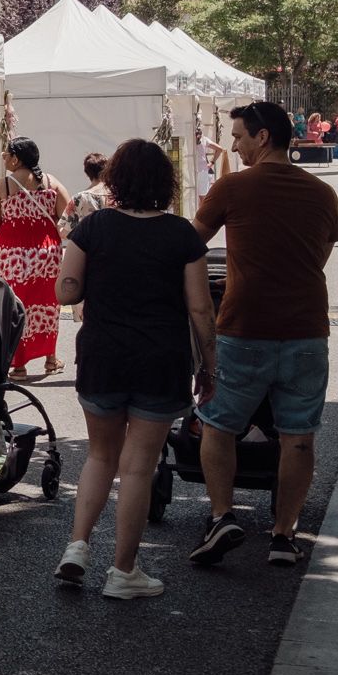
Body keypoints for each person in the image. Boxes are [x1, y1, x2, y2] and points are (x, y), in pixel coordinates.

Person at [53, 140, 215, 600]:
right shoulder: (183, 234)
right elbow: (201, 309)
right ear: (165, 183)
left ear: (116, 180)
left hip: (102, 355)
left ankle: (77, 546)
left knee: (101, 456)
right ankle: (124, 572)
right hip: (160, 360)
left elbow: (67, 292)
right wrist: (210, 366)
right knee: (139, 467)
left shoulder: (93, 227)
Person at [189, 101, 338, 569]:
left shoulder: (232, 187)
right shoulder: (322, 193)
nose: (234, 144)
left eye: (238, 136)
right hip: (307, 327)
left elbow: (191, 241)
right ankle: (283, 534)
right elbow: (322, 252)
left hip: (244, 325)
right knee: (298, 435)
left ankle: (222, 515)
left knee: (218, 425)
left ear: (263, 137)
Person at [0, 137, 69, 378]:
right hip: (46, 255)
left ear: (16, 158)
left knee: (16, 306)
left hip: (12, 256)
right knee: (46, 305)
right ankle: (51, 360)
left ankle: (19, 365)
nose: (4, 157)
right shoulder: (51, 182)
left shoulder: (3, 186)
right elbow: (67, 217)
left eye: (6, 154)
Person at [68, 152, 111, 229]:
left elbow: (64, 232)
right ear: (107, 170)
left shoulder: (79, 198)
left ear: (87, 173)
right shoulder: (118, 196)